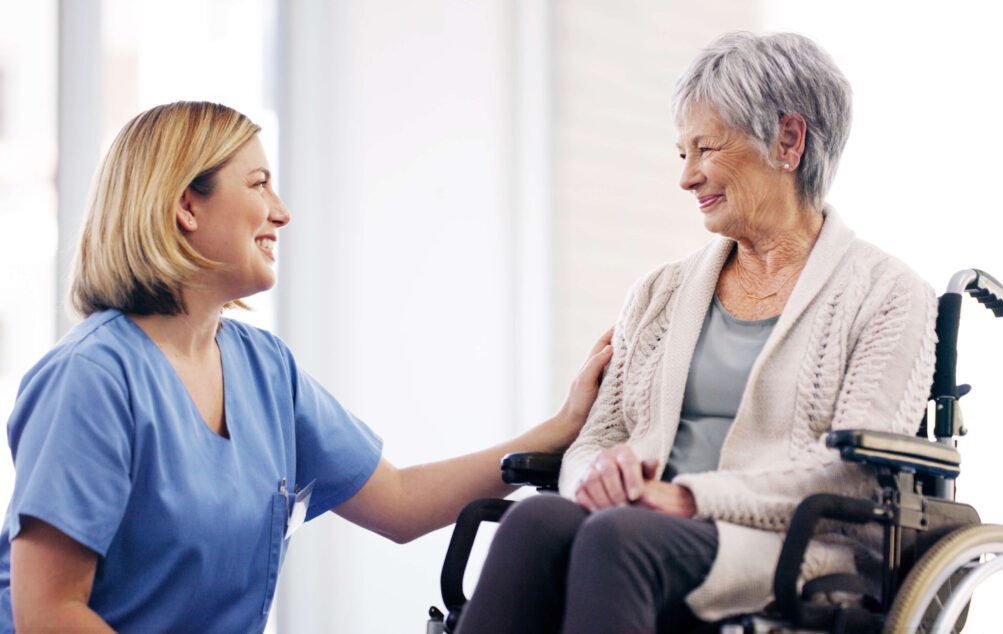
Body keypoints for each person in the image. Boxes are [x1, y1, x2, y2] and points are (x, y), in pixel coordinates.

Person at [0, 101, 613, 633]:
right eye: (259, 184)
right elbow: (48, 614)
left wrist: (563, 427)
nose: (282, 212)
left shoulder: (265, 370)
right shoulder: (91, 378)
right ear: (187, 206)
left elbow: (399, 501)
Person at [455, 31, 938, 634]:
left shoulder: (889, 293)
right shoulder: (658, 293)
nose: (686, 177)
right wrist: (596, 480)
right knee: (535, 522)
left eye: (704, 148)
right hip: (641, 522)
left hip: (785, 543)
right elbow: (596, 438)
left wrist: (690, 498)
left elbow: (853, 472)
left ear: (789, 140)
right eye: (680, 153)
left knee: (617, 539)